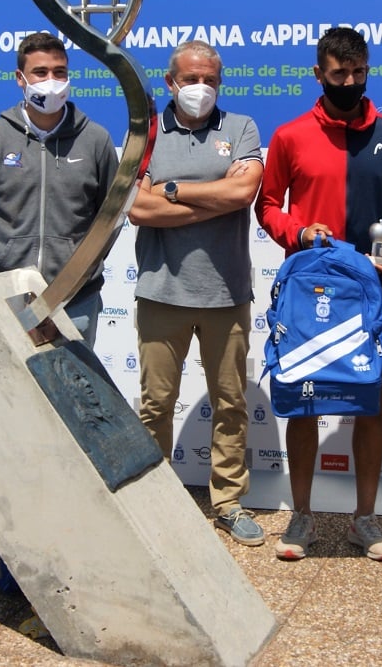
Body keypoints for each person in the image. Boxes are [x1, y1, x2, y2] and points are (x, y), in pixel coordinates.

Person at [0, 31, 119, 562]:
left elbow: (108, 220)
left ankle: (69, 518)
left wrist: (80, 271)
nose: (51, 81)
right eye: (40, 72)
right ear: (20, 79)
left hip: (76, 300)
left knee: (72, 412)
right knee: (5, 414)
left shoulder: (94, 141)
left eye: (58, 71)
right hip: (12, 301)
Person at [256, 26, 382, 561]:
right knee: (305, 404)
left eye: (358, 73)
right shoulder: (289, 135)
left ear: (368, 71)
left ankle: (364, 520)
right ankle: (301, 517)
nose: (349, 82)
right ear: (318, 74)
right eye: (338, 74)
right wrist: (297, 233)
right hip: (308, 294)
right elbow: (268, 206)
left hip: (371, 293)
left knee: (369, 401)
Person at [127, 40, 265, 546]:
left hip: (226, 293)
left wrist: (171, 190)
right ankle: (154, 503)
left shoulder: (241, 127)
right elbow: (137, 210)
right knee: (156, 404)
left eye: (210, 80)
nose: (200, 89)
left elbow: (243, 193)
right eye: (190, 80)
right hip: (161, 291)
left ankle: (227, 503)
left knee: (231, 403)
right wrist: (211, 198)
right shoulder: (146, 133)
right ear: (171, 82)